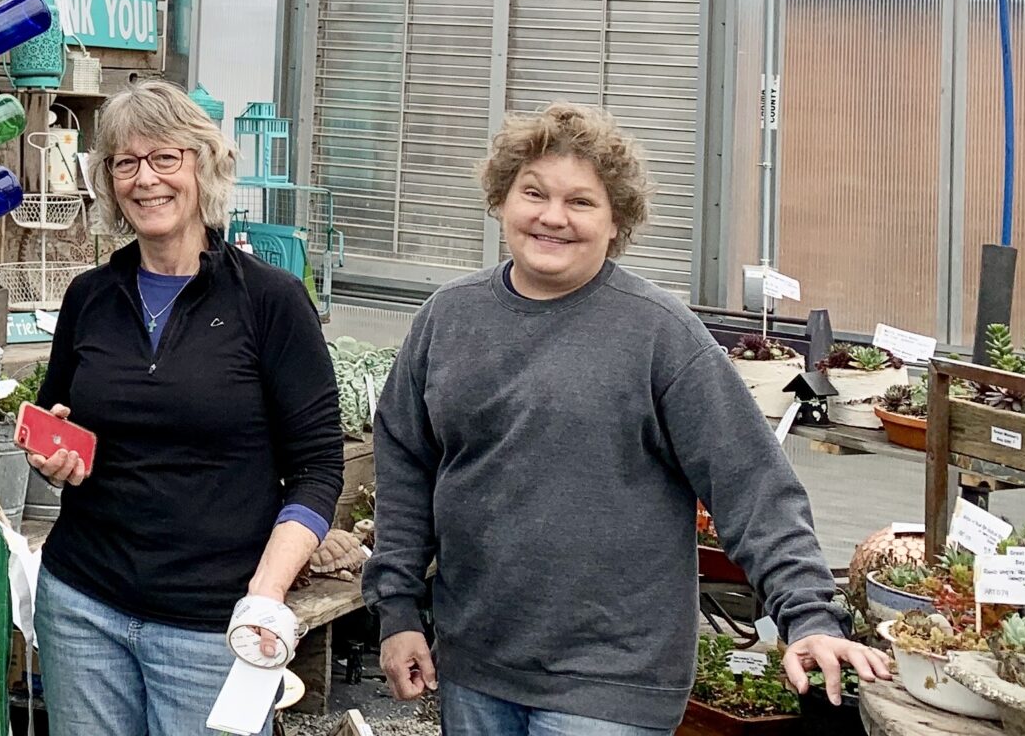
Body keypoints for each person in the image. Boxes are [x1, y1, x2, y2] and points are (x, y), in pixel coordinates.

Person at [367, 102, 891, 736]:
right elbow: (404, 470)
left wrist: (807, 614)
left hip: (612, 681)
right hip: (477, 667)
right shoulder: (447, 320)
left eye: (581, 202)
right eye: (533, 192)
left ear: (617, 221)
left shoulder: (659, 336)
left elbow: (750, 484)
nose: (552, 217)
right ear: (502, 200)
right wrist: (396, 610)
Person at [26, 79, 343, 736]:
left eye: (166, 158)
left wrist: (265, 593)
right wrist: (52, 454)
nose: (146, 180)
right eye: (126, 162)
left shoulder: (270, 301)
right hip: (83, 605)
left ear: (205, 166)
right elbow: (59, 413)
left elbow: (317, 467)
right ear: (110, 181)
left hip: (213, 622)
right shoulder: (90, 296)